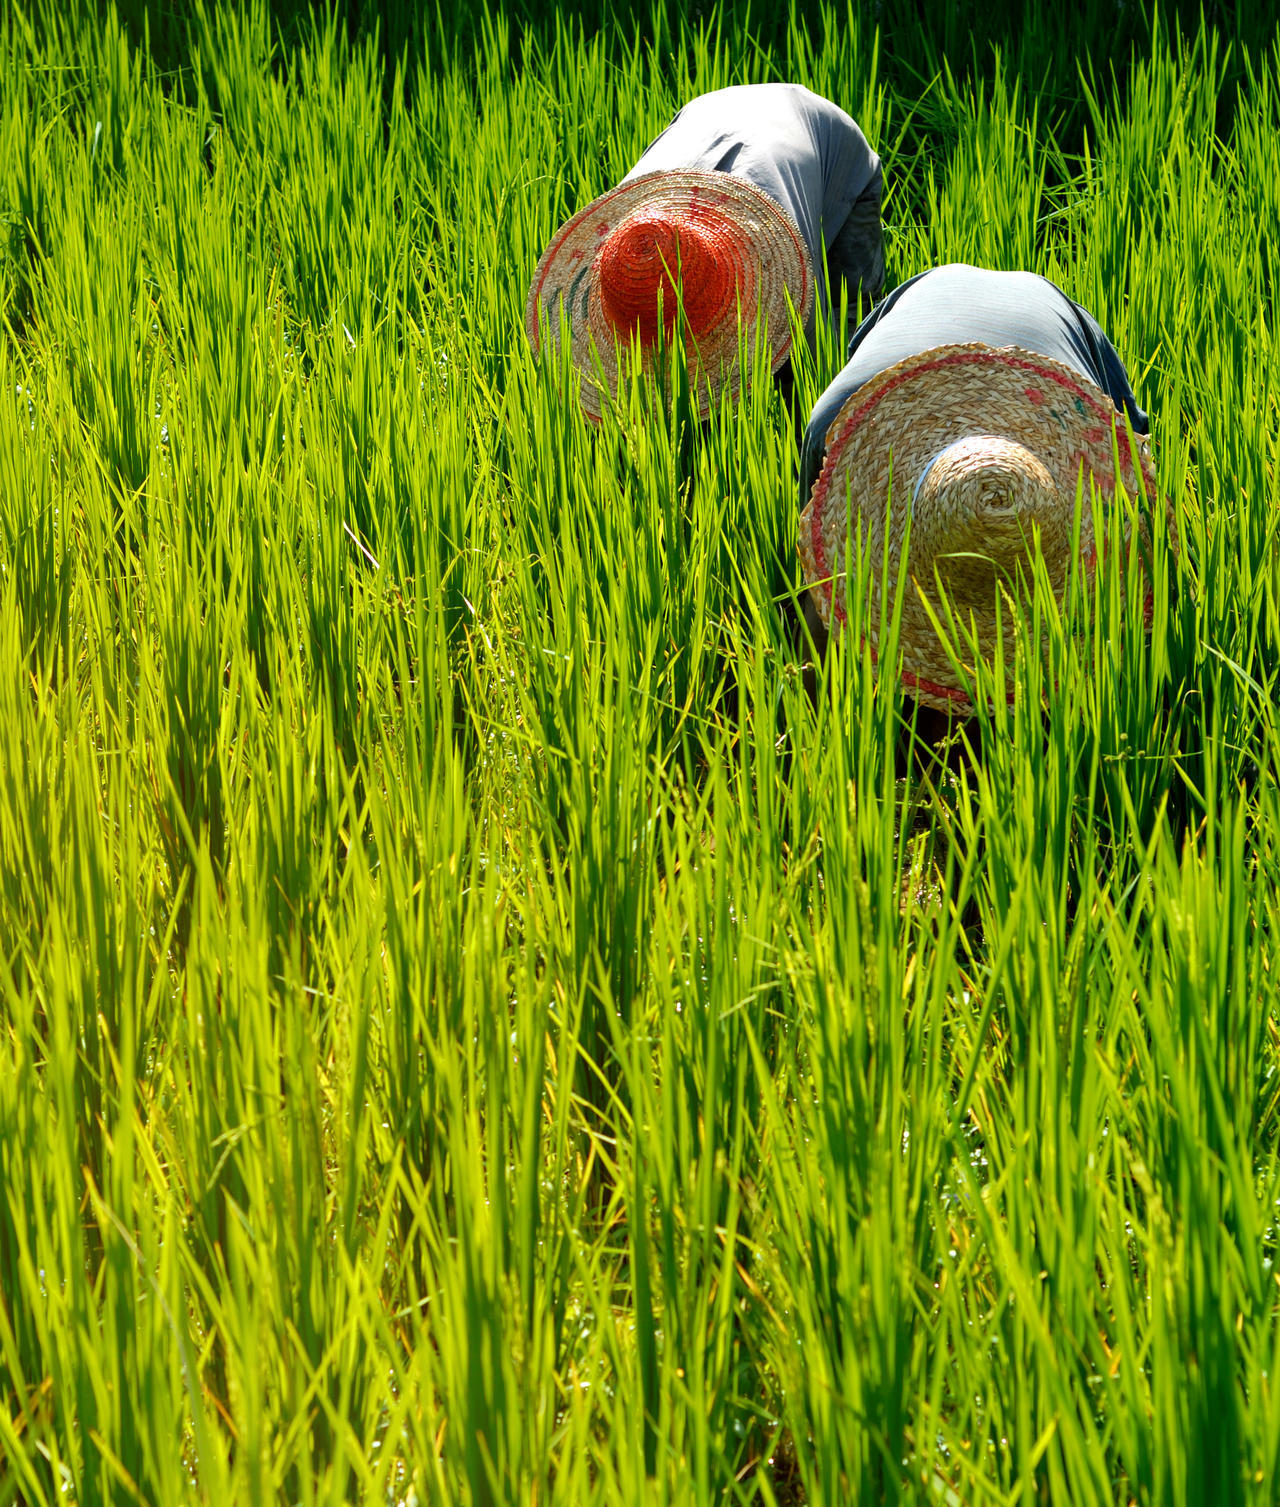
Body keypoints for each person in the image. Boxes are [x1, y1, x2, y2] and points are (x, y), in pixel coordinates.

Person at [795, 263, 1165, 734]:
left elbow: (1134, 452)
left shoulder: (838, 414)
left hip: (966, 294)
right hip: (996, 300)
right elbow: (820, 570)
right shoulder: (840, 422)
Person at [526, 82, 884, 420]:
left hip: (819, 134)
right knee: (680, 384)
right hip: (704, 117)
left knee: (845, 332)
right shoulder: (627, 235)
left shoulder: (775, 254)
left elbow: (809, 368)